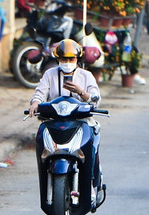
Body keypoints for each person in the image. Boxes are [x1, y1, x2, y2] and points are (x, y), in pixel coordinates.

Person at [29, 38, 105, 188]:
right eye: (64, 58)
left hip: (81, 123)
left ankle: (91, 183)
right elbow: (40, 92)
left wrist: (81, 92)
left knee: (91, 144)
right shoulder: (50, 75)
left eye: (71, 59)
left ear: (77, 59)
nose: (68, 62)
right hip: (54, 123)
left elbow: (96, 99)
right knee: (40, 136)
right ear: (58, 59)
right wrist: (35, 103)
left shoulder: (86, 76)